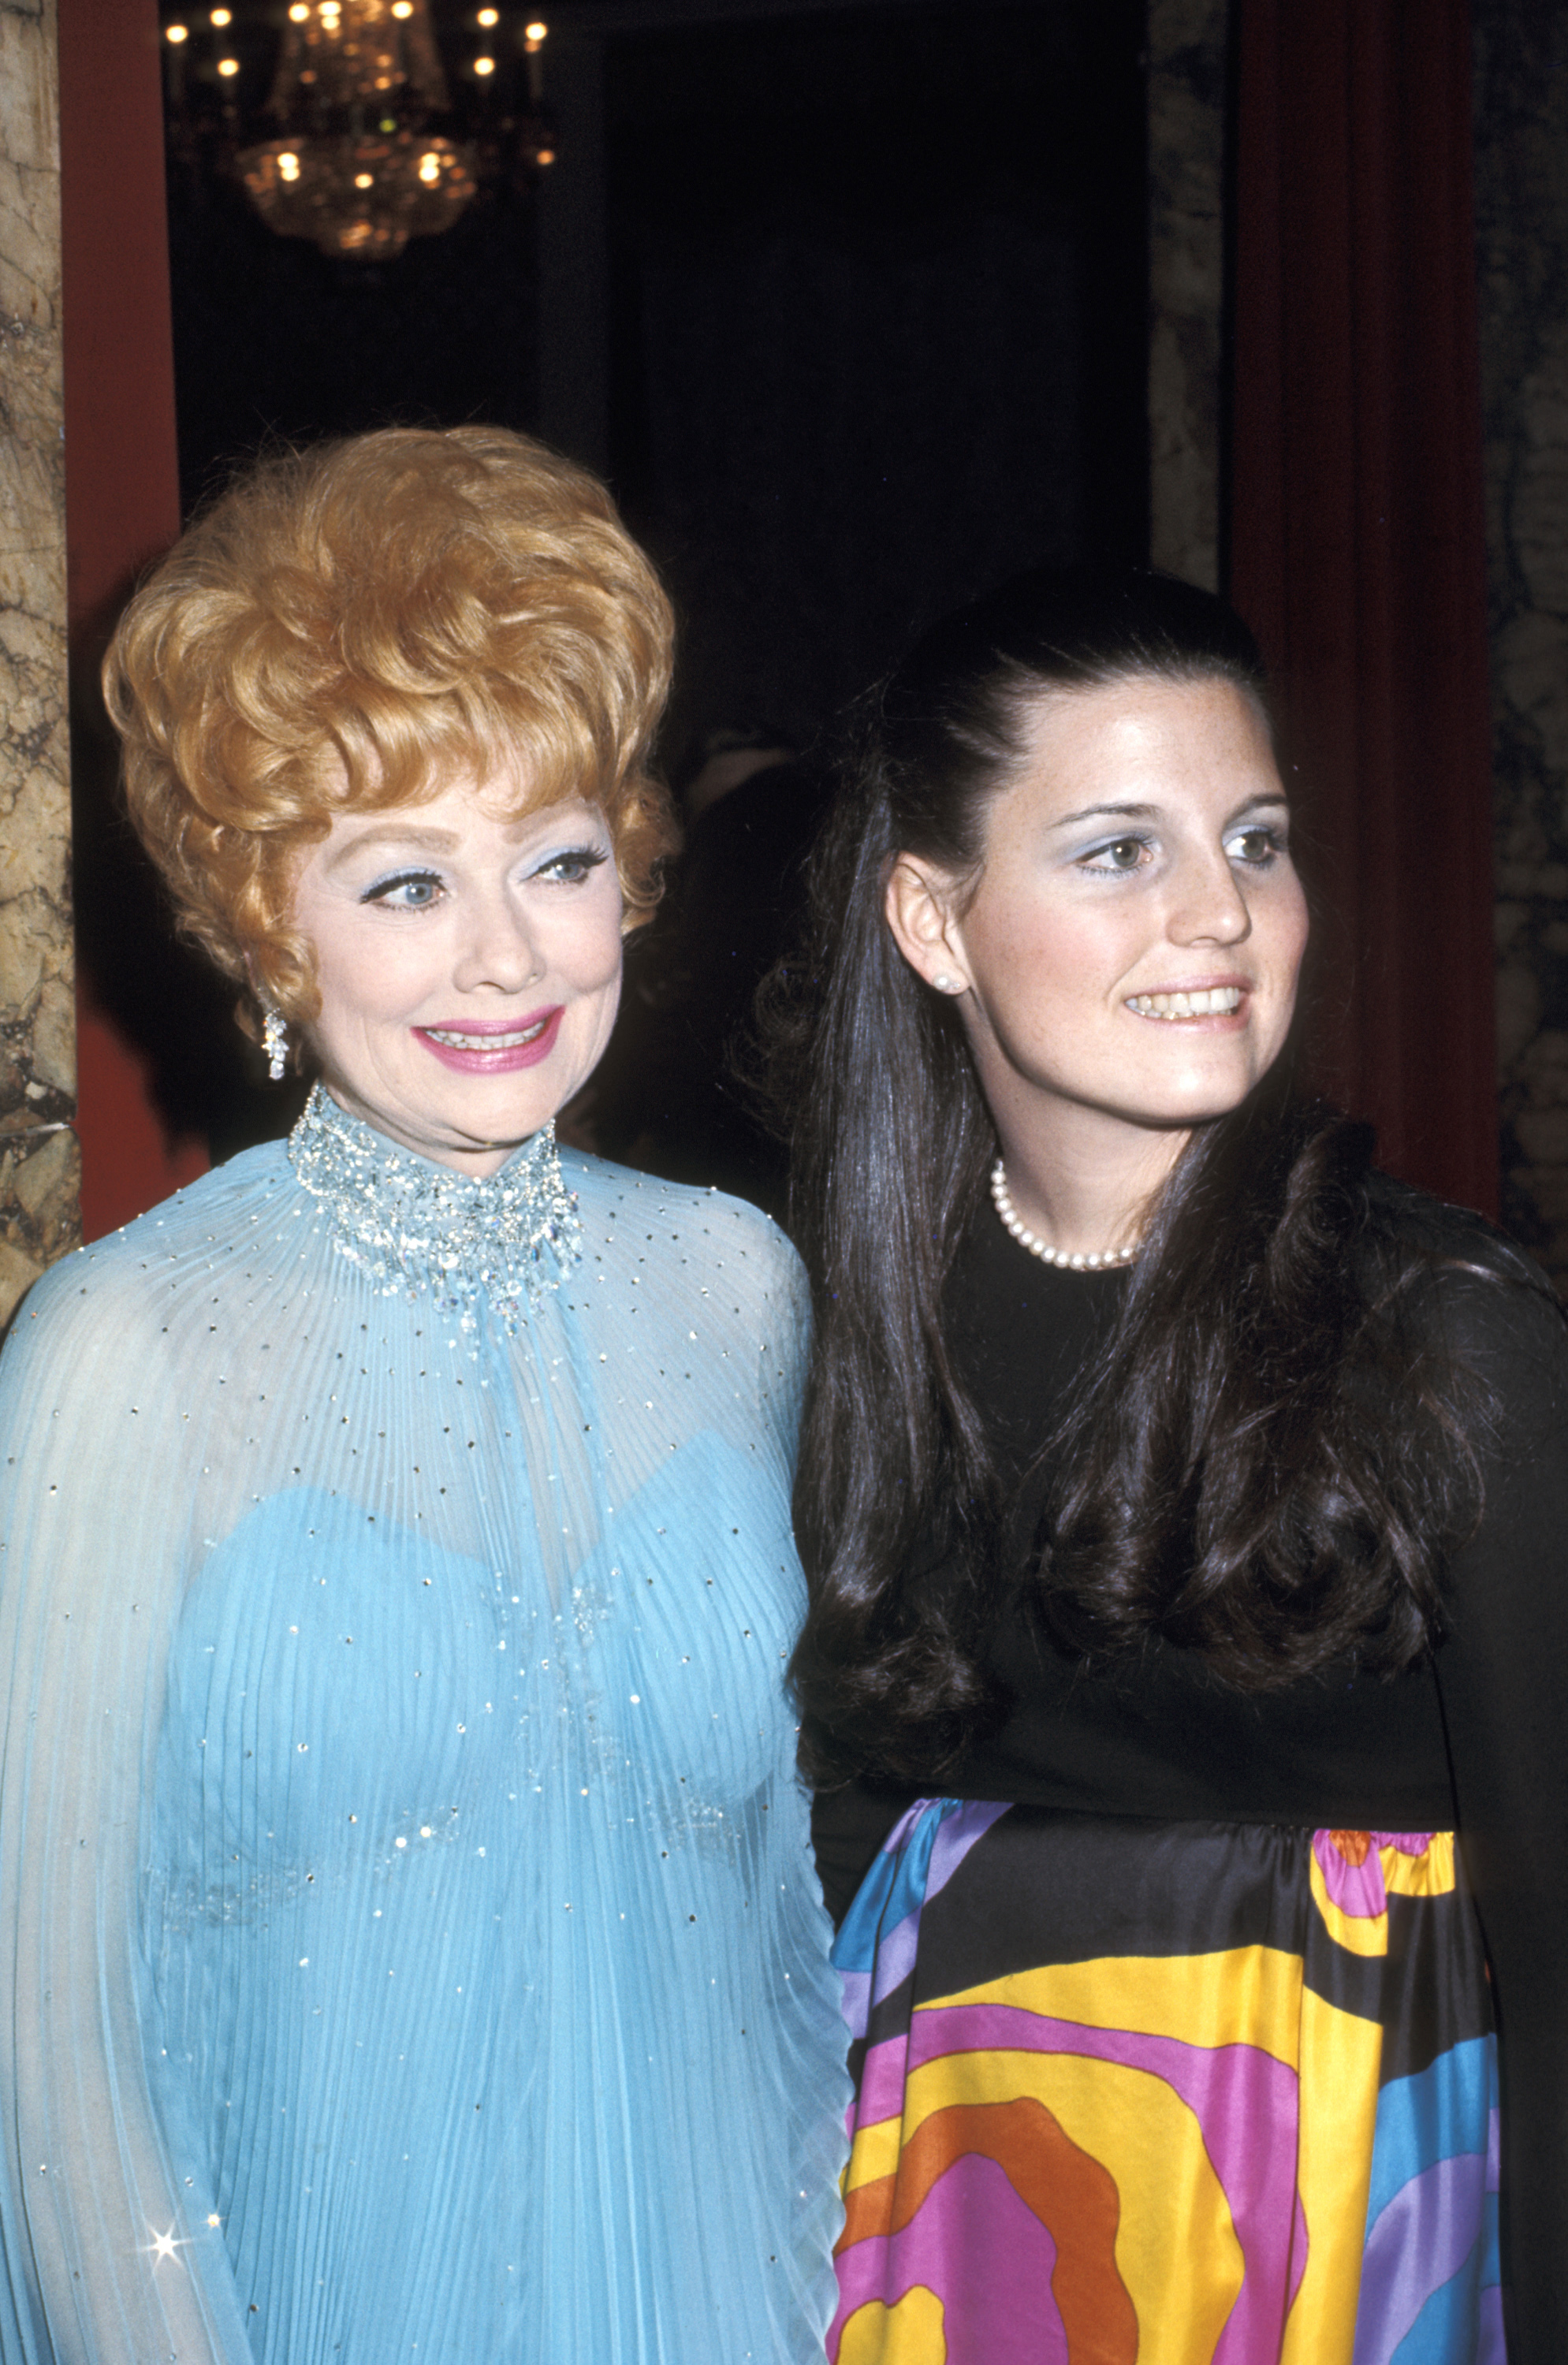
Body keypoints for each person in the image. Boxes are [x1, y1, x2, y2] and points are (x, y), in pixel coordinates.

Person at [0, 426, 847, 2363]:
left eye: (555, 859)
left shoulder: (739, 1284)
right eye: (401, 882)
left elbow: (779, 1908)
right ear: (257, 924)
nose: (504, 953)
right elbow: (48, 2049)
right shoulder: (124, 1351)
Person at [774, 566, 1567, 2361]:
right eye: (1118, 851)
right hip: (929, 2239)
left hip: (1364, 2254)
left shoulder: (1443, 1339)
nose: (1220, 914)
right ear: (931, 919)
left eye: (1256, 840)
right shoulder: (827, 1340)